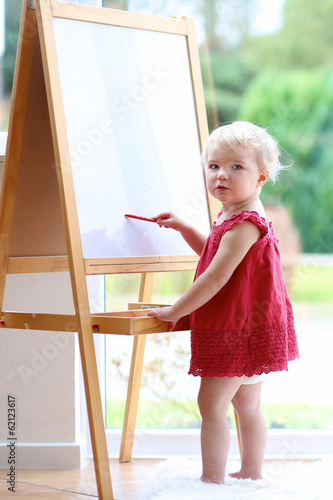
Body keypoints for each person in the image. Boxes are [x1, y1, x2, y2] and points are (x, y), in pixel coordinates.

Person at [148, 121, 299, 485]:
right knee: (247, 406)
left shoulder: (246, 223)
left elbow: (215, 277)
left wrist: (175, 310)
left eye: (236, 167)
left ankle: (212, 478)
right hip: (251, 326)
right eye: (214, 166)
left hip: (236, 329)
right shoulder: (236, 216)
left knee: (211, 406)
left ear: (261, 177)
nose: (222, 175)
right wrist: (186, 228)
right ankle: (250, 472)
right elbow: (215, 257)